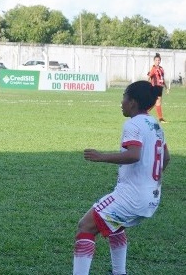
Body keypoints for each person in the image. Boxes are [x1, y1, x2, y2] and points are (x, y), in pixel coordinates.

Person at [72, 80, 171, 275]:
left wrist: (101, 157)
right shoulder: (154, 124)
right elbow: (166, 157)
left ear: (133, 102)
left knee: (85, 226)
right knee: (115, 225)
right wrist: (153, 181)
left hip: (130, 197)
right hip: (151, 198)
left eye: (124, 97)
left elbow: (134, 155)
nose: (122, 102)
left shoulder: (133, 124)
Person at [147, 52, 169, 123]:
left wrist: (166, 87)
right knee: (155, 102)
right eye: (156, 60)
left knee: (157, 103)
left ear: (160, 61)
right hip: (155, 87)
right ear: (154, 61)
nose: (157, 61)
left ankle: (160, 118)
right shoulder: (153, 69)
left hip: (160, 87)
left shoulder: (161, 69)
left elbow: (163, 79)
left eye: (159, 60)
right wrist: (146, 85)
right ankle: (142, 114)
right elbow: (149, 77)